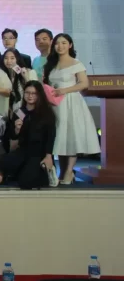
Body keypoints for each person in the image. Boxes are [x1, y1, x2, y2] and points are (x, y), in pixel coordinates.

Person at [43, 33, 100, 184]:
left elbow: (84, 83)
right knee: (61, 137)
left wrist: (65, 90)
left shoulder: (76, 63)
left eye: (63, 43)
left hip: (71, 102)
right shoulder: (51, 64)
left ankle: (69, 171)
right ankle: (62, 171)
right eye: (57, 43)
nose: (60, 46)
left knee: (71, 136)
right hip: (55, 104)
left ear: (70, 45)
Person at [2, 81, 59, 189]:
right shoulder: (19, 112)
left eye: (34, 93)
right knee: (5, 163)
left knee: (26, 182)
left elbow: (51, 136)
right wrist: (17, 129)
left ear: (39, 95)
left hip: (39, 152)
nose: (30, 96)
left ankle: (47, 172)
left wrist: (48, 156)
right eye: (27, 93)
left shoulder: (47, 113)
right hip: (24, 149)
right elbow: (12, 136)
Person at [2, 48, 38, 115]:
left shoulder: (30, 72)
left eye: (12, 58)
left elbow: (35, 91)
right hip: (15, 111)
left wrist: (25, 77)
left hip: (29, 110)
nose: (9, 61)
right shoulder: (6, 75)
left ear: (17, 59)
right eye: (6, 58)